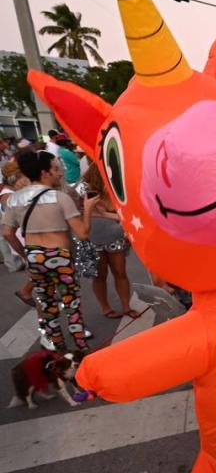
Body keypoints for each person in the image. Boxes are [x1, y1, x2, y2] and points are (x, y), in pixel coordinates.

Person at [1, 149, 98, 352]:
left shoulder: (15, 199)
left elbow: (8, 233)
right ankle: (81, 348)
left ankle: (58, 348)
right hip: (60, 256)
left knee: (47, 305)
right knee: (71, 305)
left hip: (34, 256)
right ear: (45, 173)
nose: (60, 173)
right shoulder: (60, 198)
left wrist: (24, 254)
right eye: (56, 169)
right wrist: (88, 210)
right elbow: (82, 234)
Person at [80, 164, 136, 319]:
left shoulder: (118, 192)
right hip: (93, 239)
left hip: (115, 238)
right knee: (99, 276)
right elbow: (82, 216)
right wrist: (107, 214)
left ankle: (126, 306)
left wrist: (104, 213)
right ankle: (105, 307)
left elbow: (127, 216)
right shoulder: (86, 194)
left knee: (120, 272)